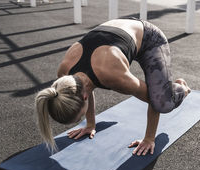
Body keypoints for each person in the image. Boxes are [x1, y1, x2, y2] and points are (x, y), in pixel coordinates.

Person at [35, 18, 191, 156]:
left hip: (149, 38)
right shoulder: (65, 77)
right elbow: (84, 89)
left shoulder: (114, 77)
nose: (80, 119)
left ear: (84, 97)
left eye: (80, 117)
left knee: (163, 102)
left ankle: (182, 87)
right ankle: (170, 88)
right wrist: (90, 125)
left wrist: (149, 139)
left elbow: (152, 100)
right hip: (116, 33)